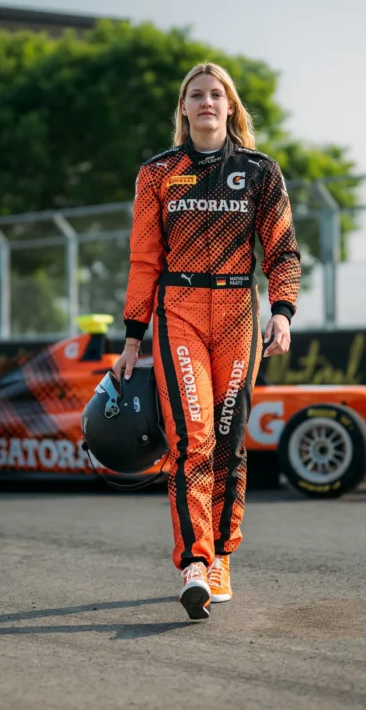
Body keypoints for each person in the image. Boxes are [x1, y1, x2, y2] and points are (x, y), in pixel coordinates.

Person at [112, 62, 301, 620]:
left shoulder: (261, 172)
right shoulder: (158, 173)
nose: (207, 103)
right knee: (191, 436)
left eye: (216, 94)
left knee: (227, 438)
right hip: (180, 311)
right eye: (196, 95)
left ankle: (221, 555)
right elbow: (144, 259)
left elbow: (283, 250)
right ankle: (194, 562)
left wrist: (283, 311)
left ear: (230, 105)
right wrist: (131, 337)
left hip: (240, 312)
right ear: (184, 108)